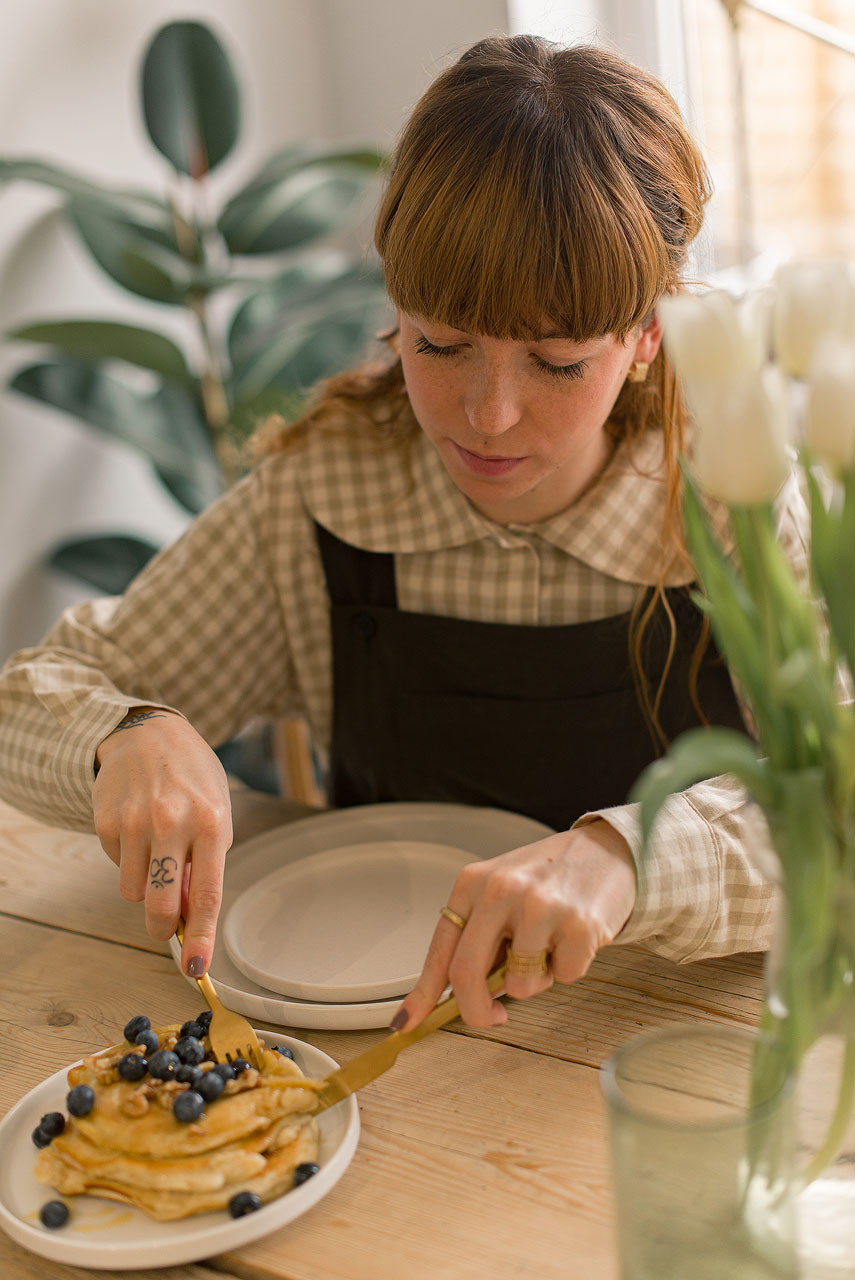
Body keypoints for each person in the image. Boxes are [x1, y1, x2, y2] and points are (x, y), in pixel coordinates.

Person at [0, 35, 808, 1031]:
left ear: (647, 338)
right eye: (440, 343)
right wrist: (123, 737)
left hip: (675, 1056)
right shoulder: (320, 498)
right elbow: (26, 702)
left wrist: (625, 857)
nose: (488, 414)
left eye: (555, 362)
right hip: (398, 1060)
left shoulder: (740, 502)